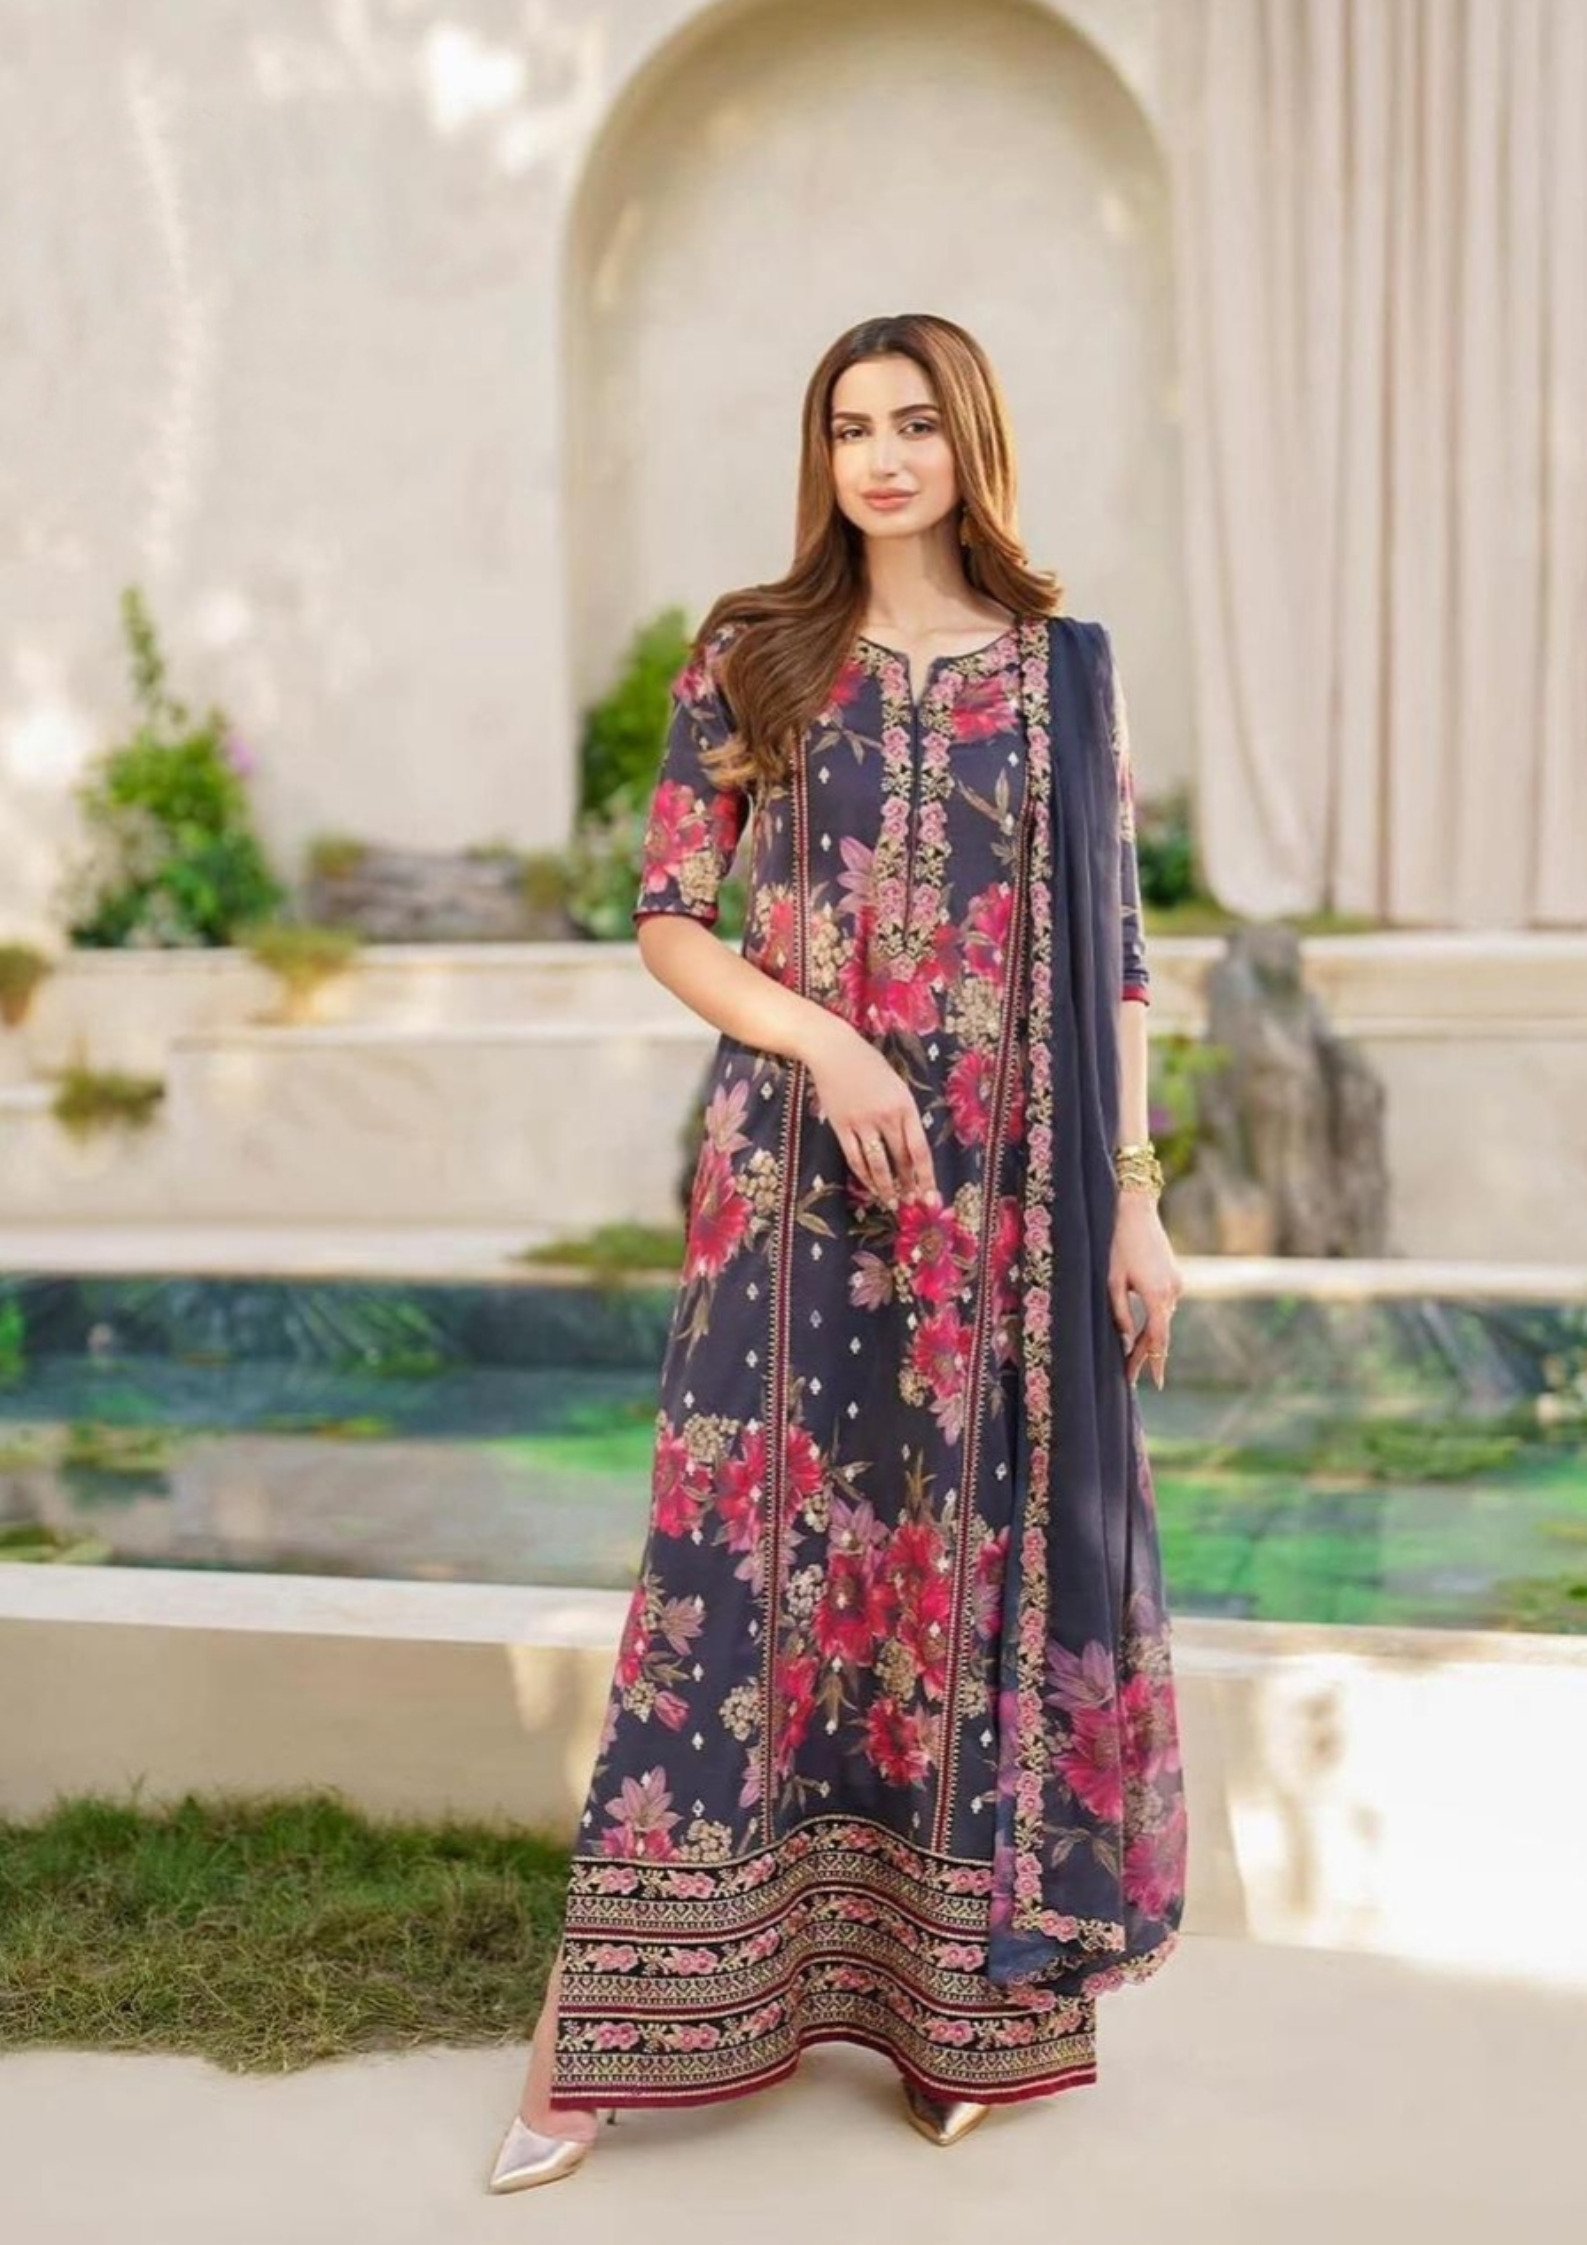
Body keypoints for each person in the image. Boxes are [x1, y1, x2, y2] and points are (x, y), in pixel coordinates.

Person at [489, 312, 1187, 2194]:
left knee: (963, 1570)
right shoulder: (754, 650)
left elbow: (1118, 958)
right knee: (734, 1572)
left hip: (1008, 1204)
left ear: (971, 444)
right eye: (849, 426)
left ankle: (968, 2012)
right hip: (795, 1188)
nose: (881, 457)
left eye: (914, 424)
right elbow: (670, 918)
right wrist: (830, 1041)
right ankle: (602, 2031)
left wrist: (1136, 1195)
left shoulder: (1064, 673)